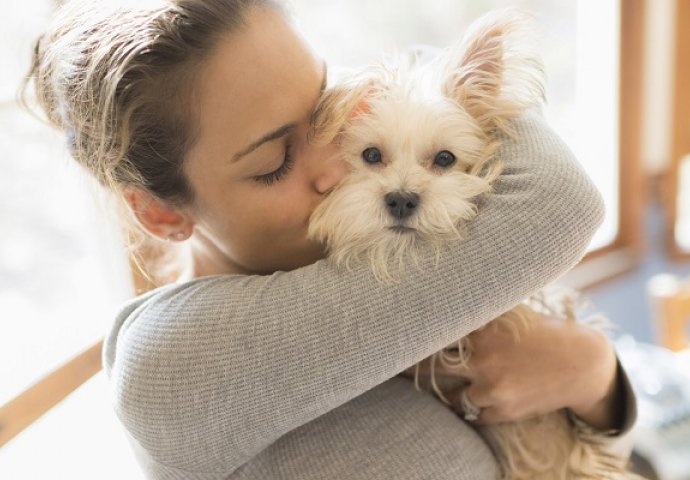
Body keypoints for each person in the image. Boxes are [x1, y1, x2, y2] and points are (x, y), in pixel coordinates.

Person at [26, 0, 636, 478]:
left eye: (327, 106)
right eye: (274, 159)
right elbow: (561, 205)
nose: (334, 164)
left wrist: (599, 381)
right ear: (160, 215)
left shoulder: (370, 254)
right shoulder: (169, 367)